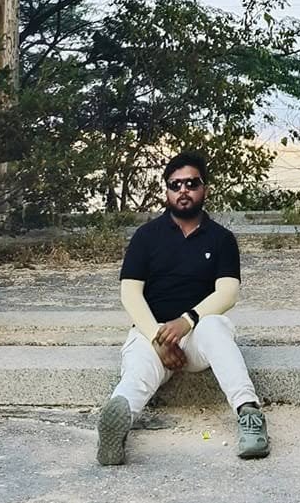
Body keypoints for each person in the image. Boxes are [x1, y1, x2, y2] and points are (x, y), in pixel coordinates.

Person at [96, 152, 270, 465]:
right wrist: (157, 339)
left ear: (204, 188)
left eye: (191, 183)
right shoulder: (146, 237)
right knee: (137, 372)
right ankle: (115, 427)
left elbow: (228, 292)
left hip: (198, 333)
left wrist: (187, 321)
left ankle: (249, 414)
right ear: (166, 191)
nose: (183, 190)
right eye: (175, 185)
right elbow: (130, 294)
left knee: (217, 328)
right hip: (153, 333)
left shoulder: (222, 239)